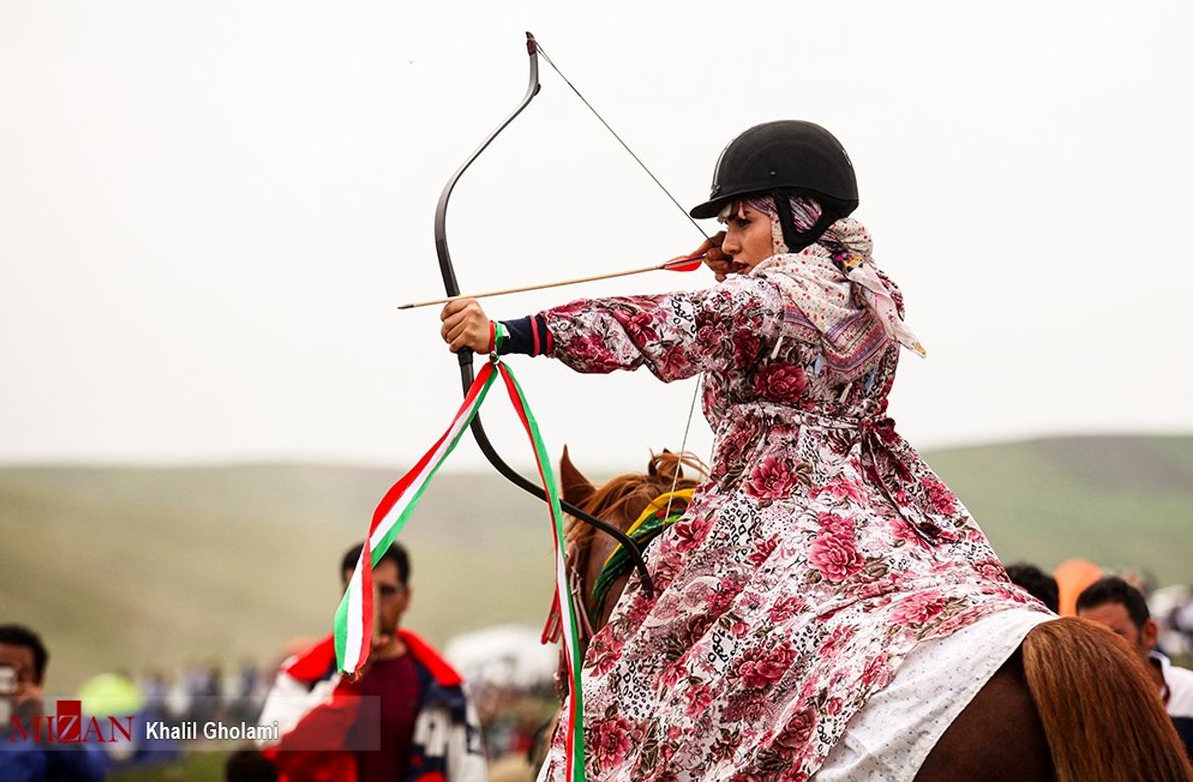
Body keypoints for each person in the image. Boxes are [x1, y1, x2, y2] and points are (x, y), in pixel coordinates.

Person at [440, 120, 1054, 780]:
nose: (727, 241)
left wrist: (510, 331)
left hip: (771, 507)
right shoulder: (869, 289)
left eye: (741, 222)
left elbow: (656, 324)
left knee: (638, 673)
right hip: (881, 506)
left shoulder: (765, 301)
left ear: (795, 218)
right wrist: (740, 264)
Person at [257, 542, 487, 781]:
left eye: (384, 592)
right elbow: (274, 753)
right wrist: (345, 686)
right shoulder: (305, 675)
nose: (370, 604)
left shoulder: (443, 687)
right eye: (358, 591)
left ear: (406, 597)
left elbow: (470, 772)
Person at [1077, 576, 1193, 756]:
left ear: (1149, 634)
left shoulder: (1189, 694)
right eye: (1089, 638)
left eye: (1115, 636)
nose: (1101, 649)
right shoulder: (1080, 708)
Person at [0, 623, 108, 781]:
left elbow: (92, 772)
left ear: (39, 680)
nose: (6, 685)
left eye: (17, 675)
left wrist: (44, 730)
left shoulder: (65, 716)